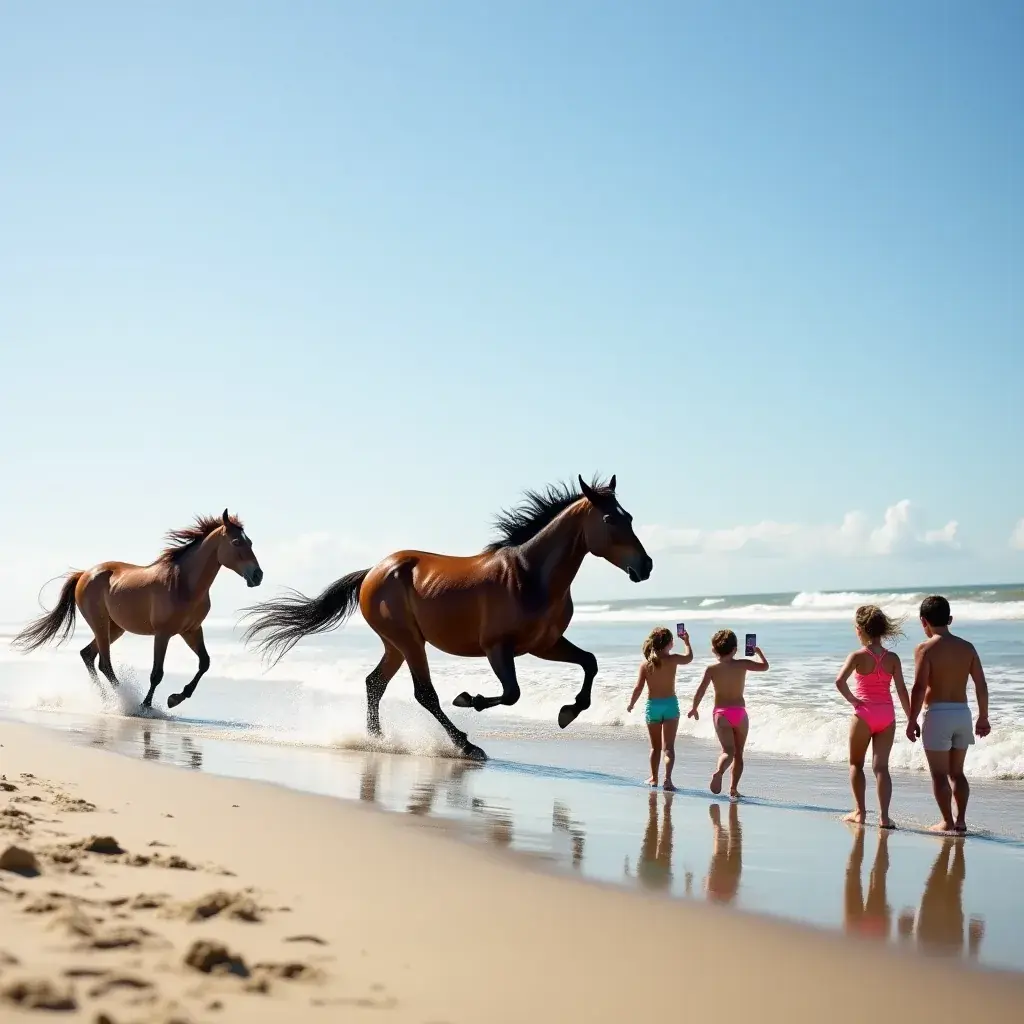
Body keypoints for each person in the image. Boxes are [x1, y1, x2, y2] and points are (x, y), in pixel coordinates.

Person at [906, 595, 990, 833]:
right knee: (957, 773)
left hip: (938, 715)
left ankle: (947, 821)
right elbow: (981, 684)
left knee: (939, 775)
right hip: (962, 713)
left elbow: (920, 687)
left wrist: (912, 720)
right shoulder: (968, 647)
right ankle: (961, 820)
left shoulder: (925, 649)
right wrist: (983, 716)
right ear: (950, 619)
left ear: (924, 621)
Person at [834, 605, 911, 828]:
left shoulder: (858, 656)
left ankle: (860, 812)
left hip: (865, 713)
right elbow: (902, 690)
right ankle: (885, 818)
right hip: (887, 715)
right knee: (881, 768)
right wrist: (911, 719)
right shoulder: (893, 658)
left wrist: (853, 700)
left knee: (856, 765)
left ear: (860, 630)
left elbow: (839, 682)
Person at [687, 630, 769, 798]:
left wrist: (694, 708)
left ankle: (719, 771)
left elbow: (701, 690)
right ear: (735, 649)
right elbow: (764, 667)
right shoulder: (742, 664)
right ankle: (733, 789)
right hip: (739, 713)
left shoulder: (712, 669)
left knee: (727, 751)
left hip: (721, 714)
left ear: (714, 650)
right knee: (739, 753)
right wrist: (758, 652)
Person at [627, 626, 693, 790]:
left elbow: (638, 688)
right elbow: (689, 658)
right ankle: (668, 780)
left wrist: (631, 704)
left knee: (655, 748)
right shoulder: (673, 659)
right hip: (670, 705)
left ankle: (654, 778)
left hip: (653, 707)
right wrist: (687, 641)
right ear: (670, 643)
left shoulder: (646, 665)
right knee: (668, 748)